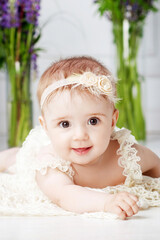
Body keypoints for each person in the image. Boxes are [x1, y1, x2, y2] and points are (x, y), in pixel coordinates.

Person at [0, 56, 160, 219]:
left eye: (93, 121)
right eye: (64, 124)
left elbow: (155, 163)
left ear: (112, 121)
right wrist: (106, 202)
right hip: (41, 155)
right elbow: (65, 196)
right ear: (46, 126)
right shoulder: (50, 165)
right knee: (16, 159)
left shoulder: (126, 155)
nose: (80, 135)